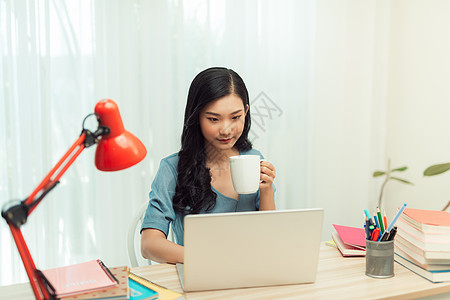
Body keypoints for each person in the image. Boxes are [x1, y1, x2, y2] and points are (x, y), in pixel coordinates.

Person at [140, 67, 276, 264]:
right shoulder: (172, 168)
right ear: (196, 117)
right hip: (200, 272)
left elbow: (269, 235)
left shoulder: (254, 159)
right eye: (214, 119)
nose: (226, 130)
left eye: (235, 117)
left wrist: (267, 190)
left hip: (252, 269)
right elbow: (149, 244)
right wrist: (212, 260)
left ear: (246, 112)